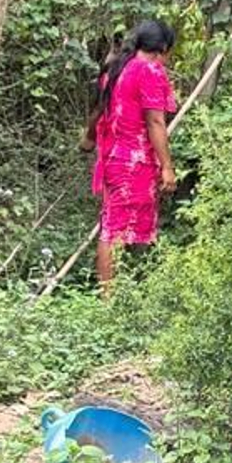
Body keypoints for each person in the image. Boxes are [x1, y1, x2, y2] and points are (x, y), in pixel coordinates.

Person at [89, 17, 178, 295]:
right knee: (114, 232)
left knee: (118, 228)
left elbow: (101, 114)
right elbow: (155, 122)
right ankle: (109, 299)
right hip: (132, 162)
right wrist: (167, 167)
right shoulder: (149, 71)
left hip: (114, 160)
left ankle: (120, 295)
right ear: (162, 48)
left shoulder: (116, 69)